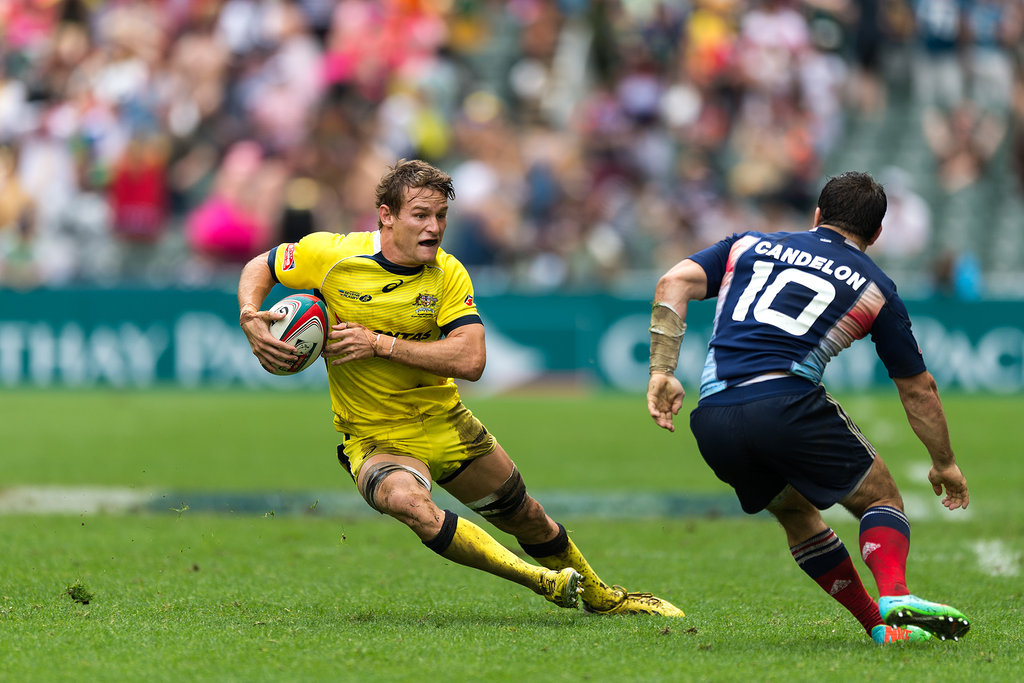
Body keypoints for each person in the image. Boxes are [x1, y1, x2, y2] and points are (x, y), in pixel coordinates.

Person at [238, 158, 684, 616]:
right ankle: (541, 581)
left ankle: (603, 598)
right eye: (420, 215)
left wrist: (380, 345)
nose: (434, 227)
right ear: (386, 216)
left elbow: (471, 360)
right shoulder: (332, 256)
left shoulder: (448, 273)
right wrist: (250, 315)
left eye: (441, 216)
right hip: (375, 437)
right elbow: (262, 264)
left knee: (527, 516)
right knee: (410, 504)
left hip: (447, 423)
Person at [646, 171, 970, 644]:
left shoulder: (746, 245)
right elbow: (919, 389)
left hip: (713, 417)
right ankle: (895, 595)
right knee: (879, 499)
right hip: (784, 403)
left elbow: (673, 281)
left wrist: (661, 369)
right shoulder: (876, 285)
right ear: (877, 233)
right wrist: (944, 462)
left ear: (817, 215)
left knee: (797, 514)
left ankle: (880, 629)